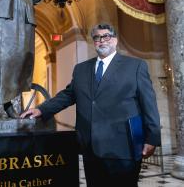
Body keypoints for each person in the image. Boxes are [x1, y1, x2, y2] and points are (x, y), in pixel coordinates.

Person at [21, 23, 161, 187]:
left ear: (115, 40)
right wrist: (41, 109)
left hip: (123, 148)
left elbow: (149, 104)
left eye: (106, 36)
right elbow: (68, 95)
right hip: (90, 148)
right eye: (97, 38)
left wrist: (152, 138)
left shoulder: (135, 66)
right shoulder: (81, 69)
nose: (101, 41)